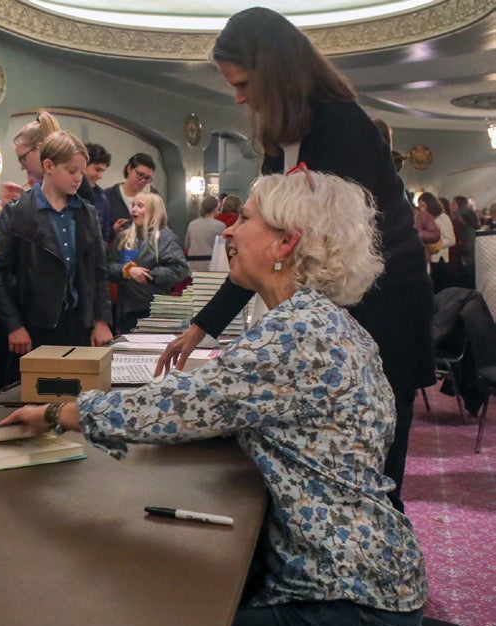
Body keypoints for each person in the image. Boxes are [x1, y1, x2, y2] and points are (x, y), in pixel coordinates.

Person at [2, 171, 427, 626]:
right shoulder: (328, 322)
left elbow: (171, 407)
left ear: (286, 242)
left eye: (245, 218)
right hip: (375, 582)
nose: (229, 230)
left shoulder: (291, 333)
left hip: (343, 606)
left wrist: (55, 413)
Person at [159, 6, 434, 513]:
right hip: (341, 310)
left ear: (275, 72)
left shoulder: (341, 125)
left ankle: (383, 564)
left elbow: (327, 247)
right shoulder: (284, 134)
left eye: (243, 84)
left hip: (382, 307)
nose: (239, 97)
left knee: (371, 462)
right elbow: (264, 246)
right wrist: (203, 327)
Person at [0, 130, 113, 386]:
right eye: (72, 171)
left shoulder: (86, 212)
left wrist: (101, 319)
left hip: (78, 323)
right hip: (33, 324)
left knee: (78, 395)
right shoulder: (18, 212)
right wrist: (12, 325)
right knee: (35, 396)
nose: (79, 178)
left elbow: (98, 271)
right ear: (48, 166)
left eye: (81, 171)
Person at [108, 192, 188, 333]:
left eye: (140, 206)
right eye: (133, 205)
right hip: (126, 310)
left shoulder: (166, 238)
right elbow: (109, 266)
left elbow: (179, 269)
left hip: (155, 310)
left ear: (153, 211)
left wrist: (149, 275)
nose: (134, 209)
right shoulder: (123, 238)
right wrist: (127, 271)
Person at [103, 153, 156, 248]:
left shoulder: (154, 197)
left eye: (147, 178)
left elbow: (165, 226)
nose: (143, 180)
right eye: (140, 175)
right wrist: (113, 231)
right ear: (129, 168)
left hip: (146, 254)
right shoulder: (108, 196)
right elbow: (98, 232)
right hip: (117, 254)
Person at [419, 192, 455, 291]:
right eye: (420, 206)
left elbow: (451, 240)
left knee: (439, 288)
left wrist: (437, 243)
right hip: (427, 260)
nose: (421, 209)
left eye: (423, 206)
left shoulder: (443, 218)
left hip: (440, 260)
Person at [185, 195, 226, 272]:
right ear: (215, 208)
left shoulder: (192, 224)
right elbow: (223, 248)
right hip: (212, 265)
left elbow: (187, 245)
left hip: (193, 265)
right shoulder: (220, 226)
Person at [81, 142, 112, 240]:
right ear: (83, 165)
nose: (100, 176)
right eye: (97, 169)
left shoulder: (102, 197)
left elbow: (103, 237)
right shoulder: (64, 192)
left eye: (103, 171)